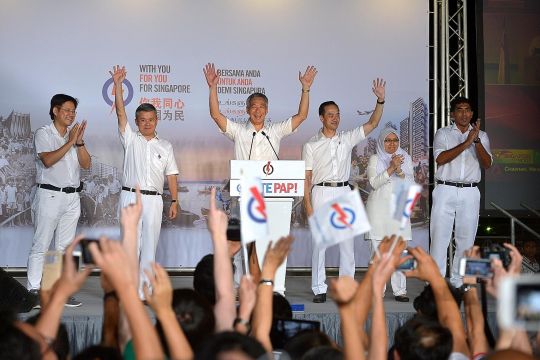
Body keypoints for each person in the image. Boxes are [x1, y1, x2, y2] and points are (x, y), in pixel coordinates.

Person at [302, 79, 386, 303]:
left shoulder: (347, 138)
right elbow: (306, 177)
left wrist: (380, 99)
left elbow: (373, 123)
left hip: (343, 192)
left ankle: (347, 285)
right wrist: (308, 204)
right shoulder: (310, 145)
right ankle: (319, 287)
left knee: (347, 244)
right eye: (330, 114)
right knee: (320, 244)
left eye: (337, 114)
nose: (335, 118)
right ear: (321, 118)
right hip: (320, 192)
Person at [110, 65, 179, 298]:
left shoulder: (166, 145)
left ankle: (144, 291)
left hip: (155, 200)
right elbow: (121, 113)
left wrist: (175, 200)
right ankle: (128, 292)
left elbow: (172, 174)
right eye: (142, 120)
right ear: (137, 122)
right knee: (129, 246)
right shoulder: (130, 139)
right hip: (130, 196)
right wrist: (118, 85)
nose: (147, 123)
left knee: (150, 246)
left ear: (156, 120)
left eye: (151, 119)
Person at [27, 93, 91, 307]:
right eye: (67, 110)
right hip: (49, 194)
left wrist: (79, 143)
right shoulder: (44, 133)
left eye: (73, 111)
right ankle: (33, 291)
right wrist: (70, 141)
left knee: (63, 248)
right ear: (55, 110)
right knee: (42, 244)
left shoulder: (74, 137)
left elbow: (86, 164)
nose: (71, 115)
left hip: (72, 197)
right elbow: (47, 160)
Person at [430, 96, 492, 287]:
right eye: (460, 109)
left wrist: (476, 141)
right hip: (445, 189)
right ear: (452, 114)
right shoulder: (443, 133)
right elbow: (440, 159)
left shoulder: (481, 135)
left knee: (466, 239)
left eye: (467, 110)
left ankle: (459, 281)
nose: (464, 113)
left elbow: (487, 164)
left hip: (470, 192)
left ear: (472, 114)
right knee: (440, 237)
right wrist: (466, 143)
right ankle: (436, 283)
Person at [203, 62, 317, 160]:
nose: (258, 111)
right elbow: (216, 115)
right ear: (247, 110)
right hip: (244, 184)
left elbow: (302, 116)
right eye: (254, 107)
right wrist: (213, 87)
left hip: (269, 184)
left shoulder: (275, 131)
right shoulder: (238, 131)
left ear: (267, 110)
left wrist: (306, 88)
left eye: (262, 107)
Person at [365, 127, 414, 302]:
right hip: (378, 209)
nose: (392, 144)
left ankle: (400, 290)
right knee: (377, 252)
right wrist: (391, 168)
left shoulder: (405, 157)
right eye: (388, 140)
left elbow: (410, 183)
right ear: (381, 142)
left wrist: (400, 169)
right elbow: (374, 183)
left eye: (395, 140)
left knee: (399, 251)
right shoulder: (375, 158)